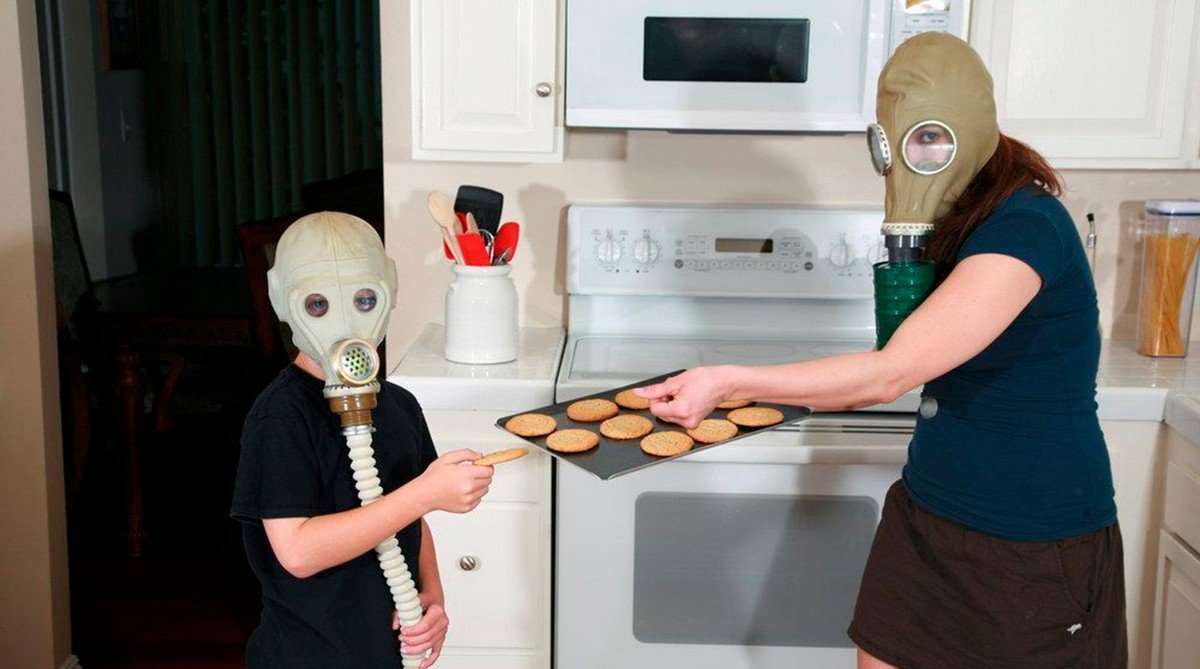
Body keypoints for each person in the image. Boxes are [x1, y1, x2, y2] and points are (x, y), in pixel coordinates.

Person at [635, 33, 1126, 669]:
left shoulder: (1026, 229)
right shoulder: (964, 223)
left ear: (972, 127)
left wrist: (728, 381)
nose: (917, 159)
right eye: (903, 142)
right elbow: (895, 357)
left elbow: (889, 374)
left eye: (934, 138)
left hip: (1031, 540)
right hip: (928, 514)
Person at [231, 212, 494, 668]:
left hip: (384, 652)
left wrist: (432, 597)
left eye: (364, 299)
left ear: (390, 287)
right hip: (306, 657)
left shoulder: (399, 405)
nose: (345, 323)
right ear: (281, 300)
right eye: (318, 305)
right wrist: (424, 493)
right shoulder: (280, 417)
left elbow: (412, 520)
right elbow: (298, 552)